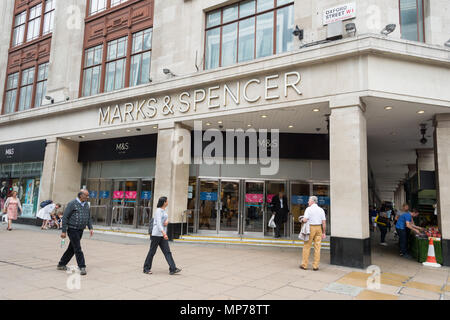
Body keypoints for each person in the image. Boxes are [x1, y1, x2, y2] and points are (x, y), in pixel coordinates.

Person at [57, 190, 94, 275]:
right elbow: (65, 217)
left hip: (80, 230)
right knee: (77, 248)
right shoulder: (72, 204)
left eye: (88, 196)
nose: (88, 197)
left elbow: (88, 217)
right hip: (72, 229)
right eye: (86, 196)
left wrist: (90, 228)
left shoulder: (86, 205)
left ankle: (61, 264)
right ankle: (82, 266)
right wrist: (63, 231)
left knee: (72, 248)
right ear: (81, 195)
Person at [143, 196, 181, 275]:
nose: (168, 202)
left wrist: (167, 221)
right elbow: (159, 224)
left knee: (167, 252)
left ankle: (173, 268)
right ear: (164, 202)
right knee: (152, 252)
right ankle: (146, 268)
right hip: (156, 234)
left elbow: (165, 220)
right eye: (167, 201)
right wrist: (164, 233)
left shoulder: (163, 211)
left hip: (162, 235)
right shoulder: (158, 211)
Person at [300, 196, 326, 271]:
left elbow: (305, 220)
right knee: (317, 248)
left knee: (307, 246)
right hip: (319, 228)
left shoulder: (308, 209)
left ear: (312, 201)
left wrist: (301, 219)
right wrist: (323, 232)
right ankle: (315, 266)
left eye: (309, 200)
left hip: (310, 228)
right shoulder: (321, 210)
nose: (308, 202)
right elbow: (323, 223)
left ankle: (304, 265)